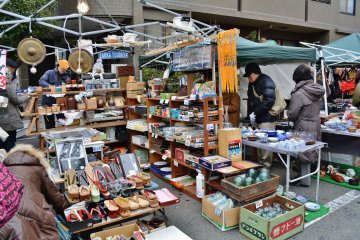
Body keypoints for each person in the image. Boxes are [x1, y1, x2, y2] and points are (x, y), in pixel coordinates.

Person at [0, 144, 69, 239]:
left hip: (7, 219)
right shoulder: (38, 168)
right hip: (34, 213)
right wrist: (67, 207)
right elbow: (54, 196)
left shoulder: (4, 171)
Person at [288, 64, 325, 186]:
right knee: (310, 151)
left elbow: (292, 114)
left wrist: (289, 116)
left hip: (303, 125)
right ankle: (305, 178)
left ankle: (304, 181)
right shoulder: (317, 88)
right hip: (315, 123)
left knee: (302, 153)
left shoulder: (298, 93)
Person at [245, 62, 277, 167]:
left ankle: (265, 167)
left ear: (255, 73)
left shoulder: (266, 81)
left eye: (249, 76)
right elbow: (251, 101)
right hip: (258, 118)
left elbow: (269, 101)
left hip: (267, 118)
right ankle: (261, 165)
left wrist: (254, 113)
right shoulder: (252, 83)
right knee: (259, 144)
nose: (248, 78)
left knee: (265, 145)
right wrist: (250, 115)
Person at [0, 68, 29, 152]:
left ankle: (3, 162)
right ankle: (9, 162)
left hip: (2, 119)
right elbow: (16, 101)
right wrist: (27, 96)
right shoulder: (7, 87)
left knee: (2, 143)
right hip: (9, 119)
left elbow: (3, 103)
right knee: (10, 143)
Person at [39, 59, 71, 129]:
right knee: (49, 123)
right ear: (57, 66)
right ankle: (50, 137)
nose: (63, 70)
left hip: (60, 102)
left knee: (62, 121)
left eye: (65, 69)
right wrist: (50, 86)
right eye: (62, 68)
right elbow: (41, 81)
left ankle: (61, 137)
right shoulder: (49, 72)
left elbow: (68, 86)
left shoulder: (66, 76)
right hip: (47, 101)